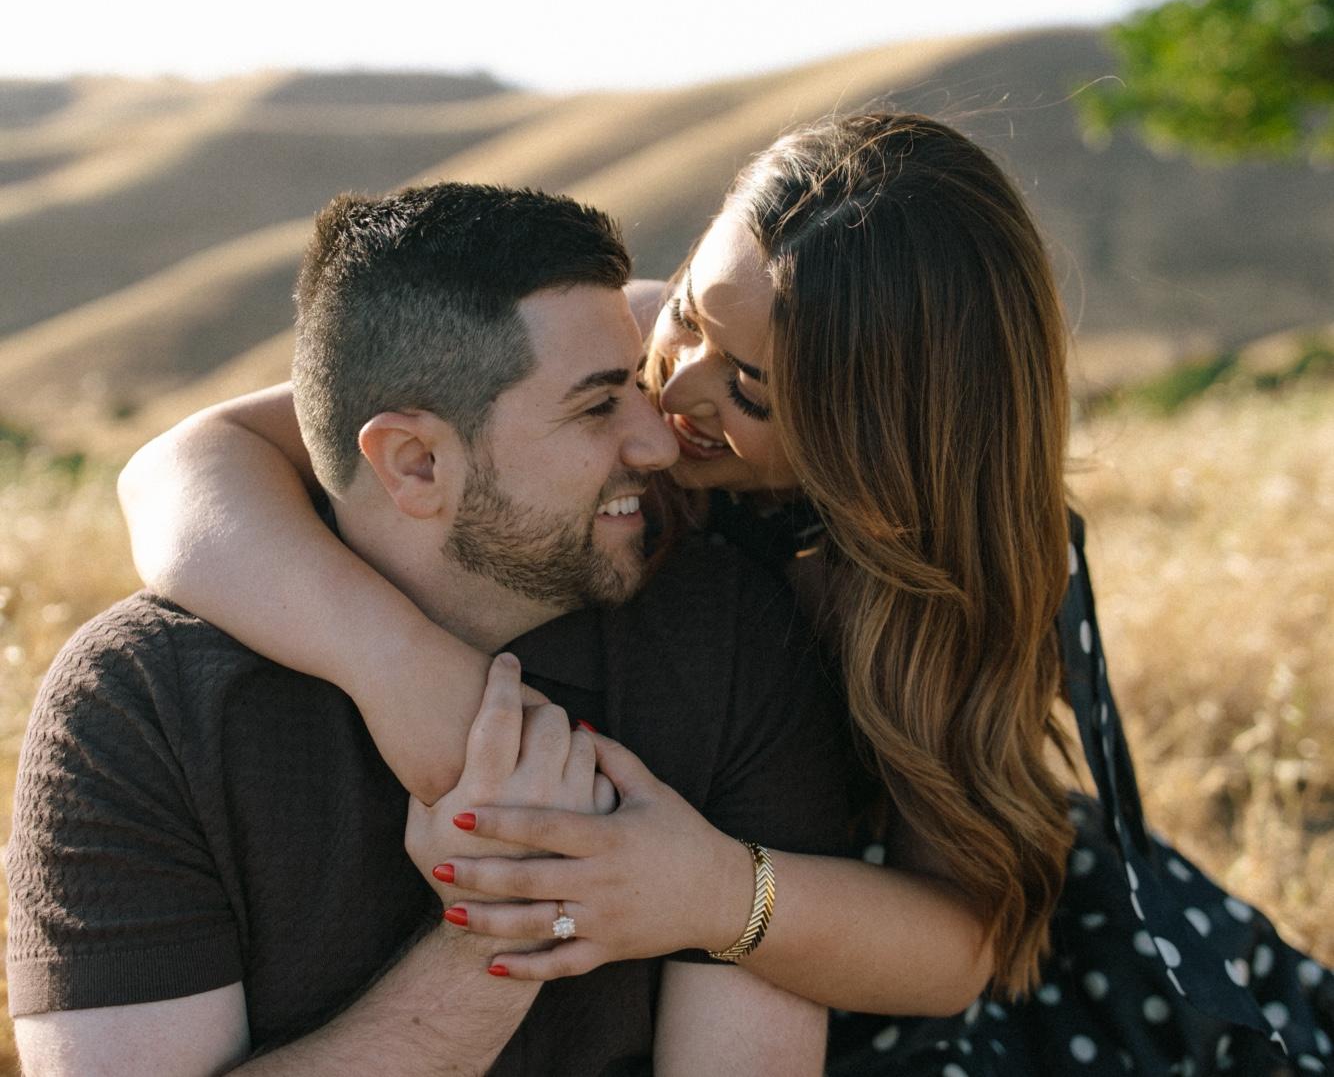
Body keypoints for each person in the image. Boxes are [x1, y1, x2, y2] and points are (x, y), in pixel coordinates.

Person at [115, 115, 1333, 1073]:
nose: (675, 392)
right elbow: (178, 468)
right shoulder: (625, 354)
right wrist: (398, 666)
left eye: (748, 388)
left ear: (876, 438)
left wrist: (709, 892)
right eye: (689, 308)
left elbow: (960, 944)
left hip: (888, 974)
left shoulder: (948, 572)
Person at [6, 182, 866, 1076]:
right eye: (597, 405)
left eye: (636, 385)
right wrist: (498, 934)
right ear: (416, 463)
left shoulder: (726, 641)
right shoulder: (144, 708)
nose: (661, 442)